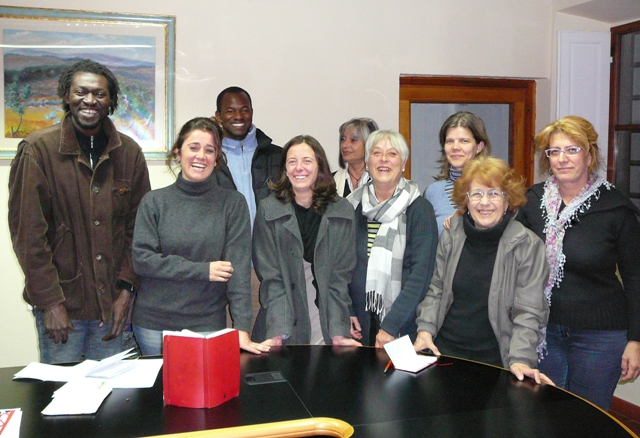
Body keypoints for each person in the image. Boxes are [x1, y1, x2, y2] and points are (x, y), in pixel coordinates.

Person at [8, 59, 151, 363]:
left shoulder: (129, 153)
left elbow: (139, 231)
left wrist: (127, 291)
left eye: (99, 94)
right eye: (81, 92)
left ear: (111, 101)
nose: (89, 100)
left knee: (113, 392)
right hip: (62, 309)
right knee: (62, 391)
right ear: (66, 95)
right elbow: (29, 236)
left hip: (112, 306)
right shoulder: (38, 150)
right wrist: (50, 302)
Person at [516, 116, 640, 409]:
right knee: (544, 413)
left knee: (588, 417)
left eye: (572, 150)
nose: (562, 159)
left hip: (600, 336)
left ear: (590, 155)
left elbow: (636, 277)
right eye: (554, 151)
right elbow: (508, 250)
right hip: (544, 330)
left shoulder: (615, 207)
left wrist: (636, 341)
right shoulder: (532, 200)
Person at [131, 118, 267, 356]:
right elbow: (143, 260)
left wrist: (242, 327)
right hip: (154, 325)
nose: (201, 156)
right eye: (193, 147)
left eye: (209, 150)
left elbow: (238, 271)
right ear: (178, 153)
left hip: (207, 324)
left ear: (217, 158)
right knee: (158, 383)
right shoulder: (154, 202)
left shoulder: (232, 204)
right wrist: (203, 270)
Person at [414, 156, 552, 384]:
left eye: (494, 193)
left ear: (508, 201)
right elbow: (436, 290)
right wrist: (425, 330)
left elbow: (529, 311)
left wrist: (521, 359)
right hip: (444, 352)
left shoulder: (528, 245)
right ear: (466, 200)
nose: (484, 202)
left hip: (495, 360)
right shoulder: (451, 234)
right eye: (476, 193)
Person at [252, 135, 360, 346]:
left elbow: (340, 279)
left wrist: (338, 331)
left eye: (307, 161)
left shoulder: (342, 210)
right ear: (285, 169)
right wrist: (278, 331)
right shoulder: (268, 209)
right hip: (281, 315)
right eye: (292, 161)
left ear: (320, 166)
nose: (299, 168)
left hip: (326, 314)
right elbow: (271, 278)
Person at [348, 130, 438, 347]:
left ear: (404, 163)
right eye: (377, 153)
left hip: (403, 326)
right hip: (359, 325)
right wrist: (347, 310)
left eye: (392, 153)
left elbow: (421, 276)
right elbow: (341, 265)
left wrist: (390, 326)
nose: (384, 159)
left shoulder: (419, 209)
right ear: (367, 162)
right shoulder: (352, 205)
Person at [213, 86, 282, 226]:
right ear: (219, 116)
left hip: (270, 239)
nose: (238, 116)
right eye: (230, 111)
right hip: (227, 239)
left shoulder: (278, 156)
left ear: (252, 112)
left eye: (244, 110)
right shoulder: (211, 159)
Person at [424, 111, 492, 235]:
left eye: (464, 141)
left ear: (479, 147)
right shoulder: (433, 192)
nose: (455, 147)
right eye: (450, 141)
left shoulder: (494, 189)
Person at [333, 117, 379, 197]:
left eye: (353, 139)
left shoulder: (381, 181)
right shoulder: (330, 182)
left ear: (369, 144)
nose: (345, 145)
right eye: (343, 139)